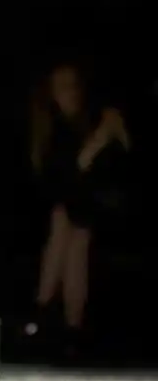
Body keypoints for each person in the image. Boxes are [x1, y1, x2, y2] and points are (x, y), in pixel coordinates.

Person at [24, 60, 131, 356]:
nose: (69, 94)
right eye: (61, 88)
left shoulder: (98, 118)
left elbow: (121, 167)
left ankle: (43, 310)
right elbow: (63, 179)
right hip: (72, 211)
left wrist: (103, 140)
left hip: (108, 205)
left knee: (69, 224)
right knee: (70, 230)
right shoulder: (53, 130)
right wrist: (96, 144)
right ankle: (72, 327)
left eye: (73, 86)